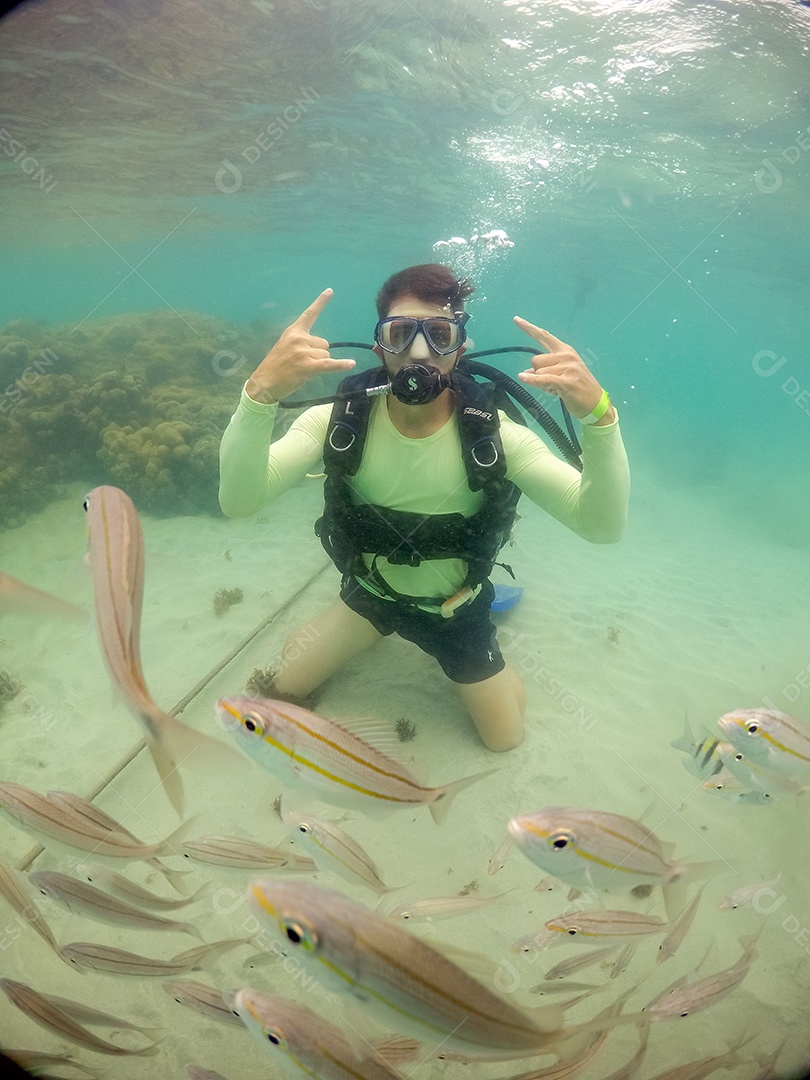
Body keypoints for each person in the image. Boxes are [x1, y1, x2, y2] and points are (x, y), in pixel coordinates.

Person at [218, 264, 629, 752]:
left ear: (459, 347)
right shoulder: (335, 421)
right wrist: (259, 394)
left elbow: (600, 526)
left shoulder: (495, 437)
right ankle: (370, 629)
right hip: (373, 592)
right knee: (285, 684)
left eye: (438, 334)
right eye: (400, 333)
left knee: (504, 738)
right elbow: (240, 502)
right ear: (379, 346)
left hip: (454, 610)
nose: (418, 352)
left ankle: (486, 615)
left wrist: (601, 419)